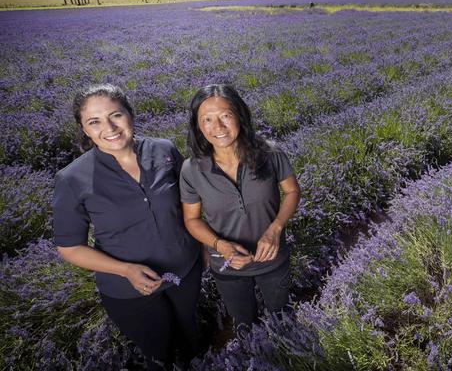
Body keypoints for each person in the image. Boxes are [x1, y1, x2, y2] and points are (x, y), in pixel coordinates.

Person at [53, 84, 202, 370]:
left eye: (116, 115)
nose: (108, 127)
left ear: (130, 115)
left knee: (191, 335)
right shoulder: (72, 179)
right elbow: (70, 247)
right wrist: (125, 270)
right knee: (160, 354)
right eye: (94, 121)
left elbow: (189, 205)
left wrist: (204, 246)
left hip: (186, 270)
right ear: (84, 129)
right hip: (129, 291)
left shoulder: (163, 150)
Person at [180, 84, 300, 335]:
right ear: (198, 126)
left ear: (240, 116)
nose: (218, 127)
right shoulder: (191, 169)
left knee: (282, 317)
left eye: (225, 116)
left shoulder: (270, 153)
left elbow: (291, 191)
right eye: (207, 120)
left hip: (272, 259)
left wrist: (275, 229)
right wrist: (220, 245)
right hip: (227, 265)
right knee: (243, 323)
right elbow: (191, 220)